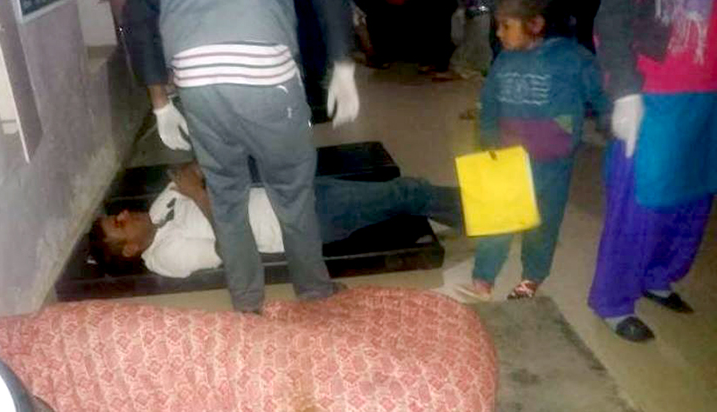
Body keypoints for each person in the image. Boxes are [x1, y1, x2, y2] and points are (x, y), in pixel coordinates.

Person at [118, 0, 361, 313]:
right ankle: (314, 291)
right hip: (265, 69)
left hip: (196, 78)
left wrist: (160, 104)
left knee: (227, 199)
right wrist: (342, 64)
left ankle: (247, 304)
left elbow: (137, 15)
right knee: (292, 195)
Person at [454, 0, 609, 301]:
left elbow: (600, 93)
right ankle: (484, 277)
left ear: (535, 24)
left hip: (553, 162)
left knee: (543, 222)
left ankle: (532, 276)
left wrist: (612, 118)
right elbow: (489, 103)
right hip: (507, 158)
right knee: (496, 216)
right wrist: (486, 143)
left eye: (506, 26)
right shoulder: (504, 60)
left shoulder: (572, 58)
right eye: (498, 25)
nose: (498, 33)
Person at [90, 161, 463, 280]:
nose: (124, 214)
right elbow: (232, 252)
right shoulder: (166, 257)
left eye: (116, 214)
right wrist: (199, 194)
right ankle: (487, 209)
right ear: (130, 249)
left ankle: (473, 212)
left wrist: (198, 167)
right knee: (406, 193)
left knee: (401, 197)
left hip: (290, 192)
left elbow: (193, 172)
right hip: (303, 220)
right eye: (119, 224)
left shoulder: (157, 213)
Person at [587, 0, 716, 342]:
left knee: (693, 197)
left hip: (709, 96)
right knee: (639, 204)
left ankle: (657, 275)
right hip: (654, 96)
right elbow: (611, 22)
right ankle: (613, 300)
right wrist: (625, 92)